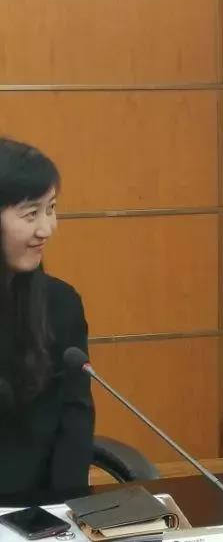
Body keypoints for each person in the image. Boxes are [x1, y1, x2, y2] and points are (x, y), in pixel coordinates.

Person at [0, 137, 94, 494]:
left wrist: (66, 511)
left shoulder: (61, 304)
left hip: (41, 511)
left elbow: (75, 419)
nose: (46, 228)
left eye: (50, 209)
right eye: (30, 214)